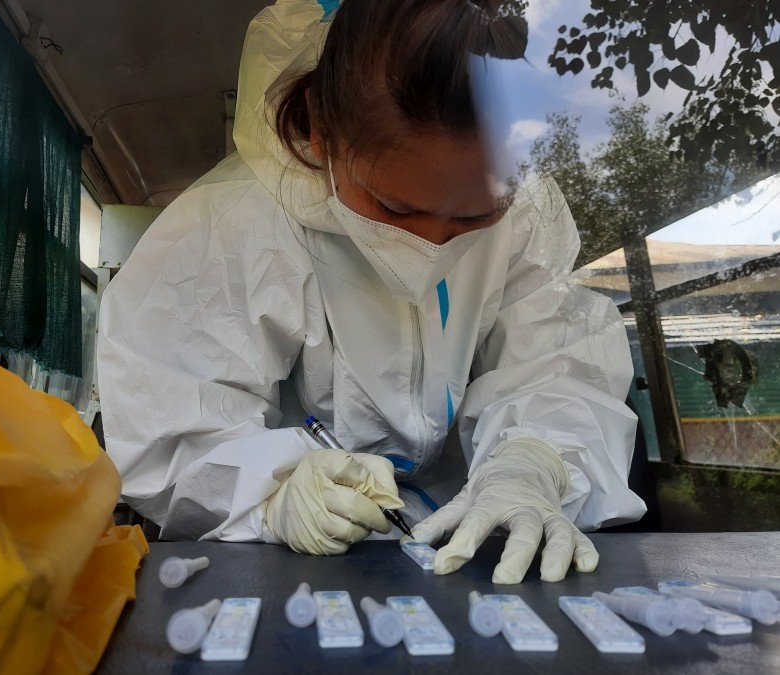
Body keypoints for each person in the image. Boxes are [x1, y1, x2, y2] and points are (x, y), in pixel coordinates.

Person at [97, 0, 646, 584]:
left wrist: (536, 461)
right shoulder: (231, 225)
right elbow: (169, 418)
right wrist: (272, 492)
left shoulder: (528, 213)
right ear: (320, 127)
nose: (431, 246)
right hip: (287, 562)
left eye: (473, 221)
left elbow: (556, 364)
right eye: (395, 208)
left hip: (475, 543)